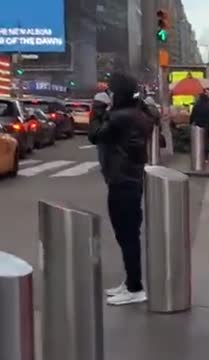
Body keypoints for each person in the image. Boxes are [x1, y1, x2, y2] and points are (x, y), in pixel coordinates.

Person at [88, 73, 154, 306]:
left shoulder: (120, 118)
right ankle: (130, 282)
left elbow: (94, 135)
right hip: (130, 179)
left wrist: (97, 109)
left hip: (121, 180)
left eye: (111, 91)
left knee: (126, 235)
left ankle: (135, 287)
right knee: (129, 235)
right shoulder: (138, 114)